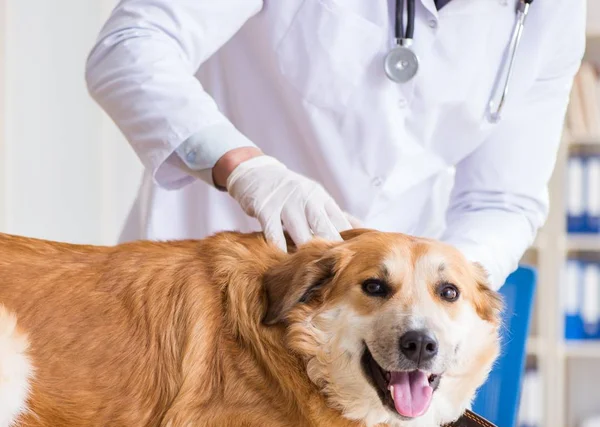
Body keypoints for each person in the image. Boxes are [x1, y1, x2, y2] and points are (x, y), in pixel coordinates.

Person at [86, 0, 585, 290]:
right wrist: (247, 170)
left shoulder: (550, 12)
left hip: (373, 322)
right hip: (207, 282)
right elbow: (129, 48)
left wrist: (438, 291)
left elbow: (502, 200)